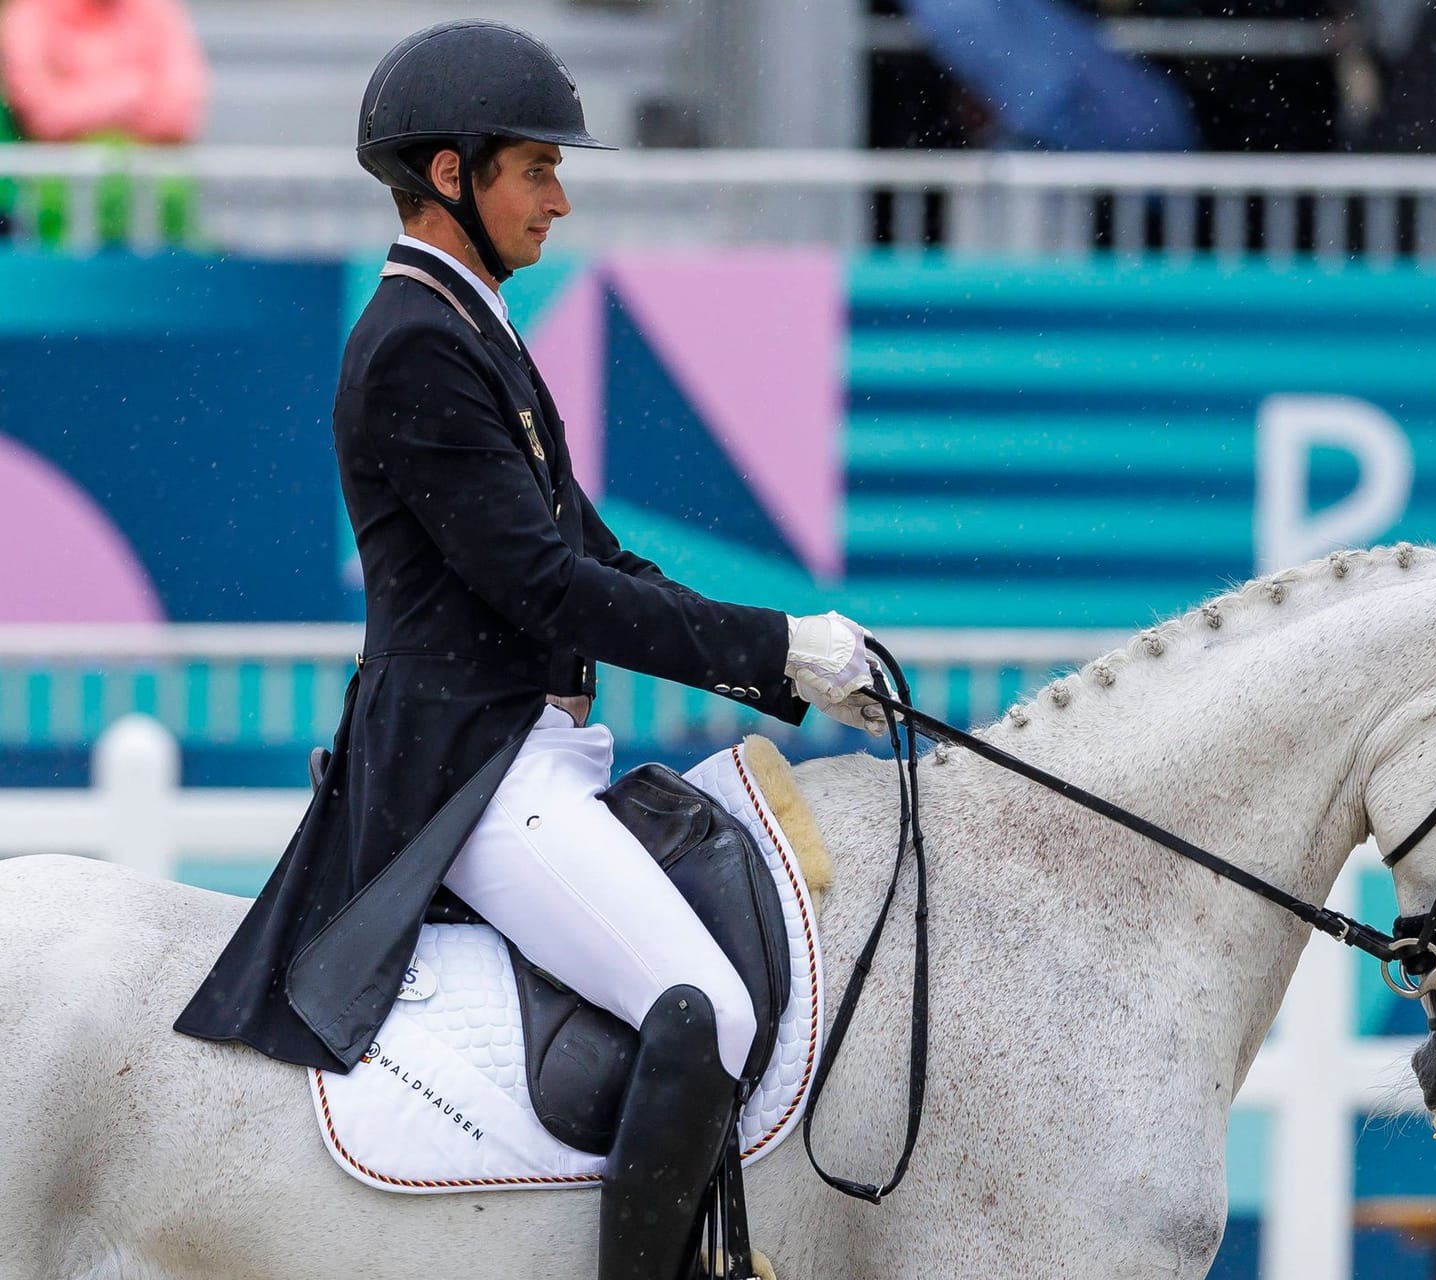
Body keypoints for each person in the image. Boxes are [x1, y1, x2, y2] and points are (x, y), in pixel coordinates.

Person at [173, 20, 879, 1280]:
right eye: (536, 168)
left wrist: (794, 668)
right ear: (452, 175)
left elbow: (600, 557)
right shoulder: (415, 345)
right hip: (470, 767)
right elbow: (547, 587)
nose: (560, 196)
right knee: (705, 1007)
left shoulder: (475, 327)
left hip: (526, 745)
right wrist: (776, 644)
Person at [0, 0, 208, 244]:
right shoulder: (31, 12)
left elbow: (179, 113)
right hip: (54, 210)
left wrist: (78, 105)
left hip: (158, 206)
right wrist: (130, 92)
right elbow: (40, 115)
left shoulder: (158, 9)